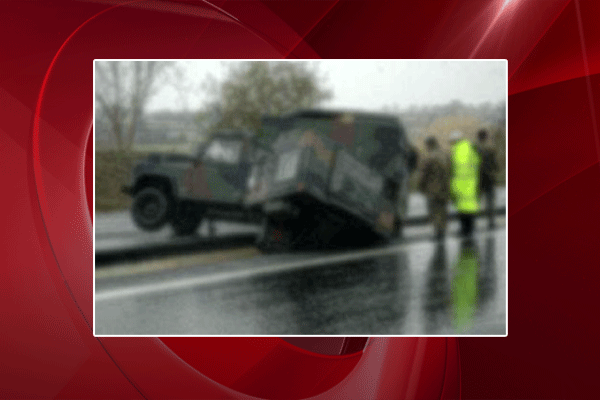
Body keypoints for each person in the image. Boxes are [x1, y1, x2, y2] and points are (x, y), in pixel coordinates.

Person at [449, 130, 481, 237]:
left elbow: (458, 169)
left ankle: (465, 230)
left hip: (462, 183)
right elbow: (477, 162)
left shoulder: (459, 150)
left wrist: (454, 184)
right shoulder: (469, 147)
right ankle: (469, 229)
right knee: (469, 207)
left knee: (463, 209)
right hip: (471, 182)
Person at [419, 136, 450, 240]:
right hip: (445, 188)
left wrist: (421, 187)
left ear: (429, 145)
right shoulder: (445, 155)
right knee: (443, 210)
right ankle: (442, 231)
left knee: (434, 210)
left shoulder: (429, 158)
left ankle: (438, 232)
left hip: (433, 189)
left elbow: (424, 175)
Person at [476, 129, 499, 228]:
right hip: (489, 176)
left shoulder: (475, 148)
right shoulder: (491, 148)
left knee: (476, 201)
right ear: (486, 136)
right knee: (490, 201)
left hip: (479, 177)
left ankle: (474, 223)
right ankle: (491, 222)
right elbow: (495, 163)